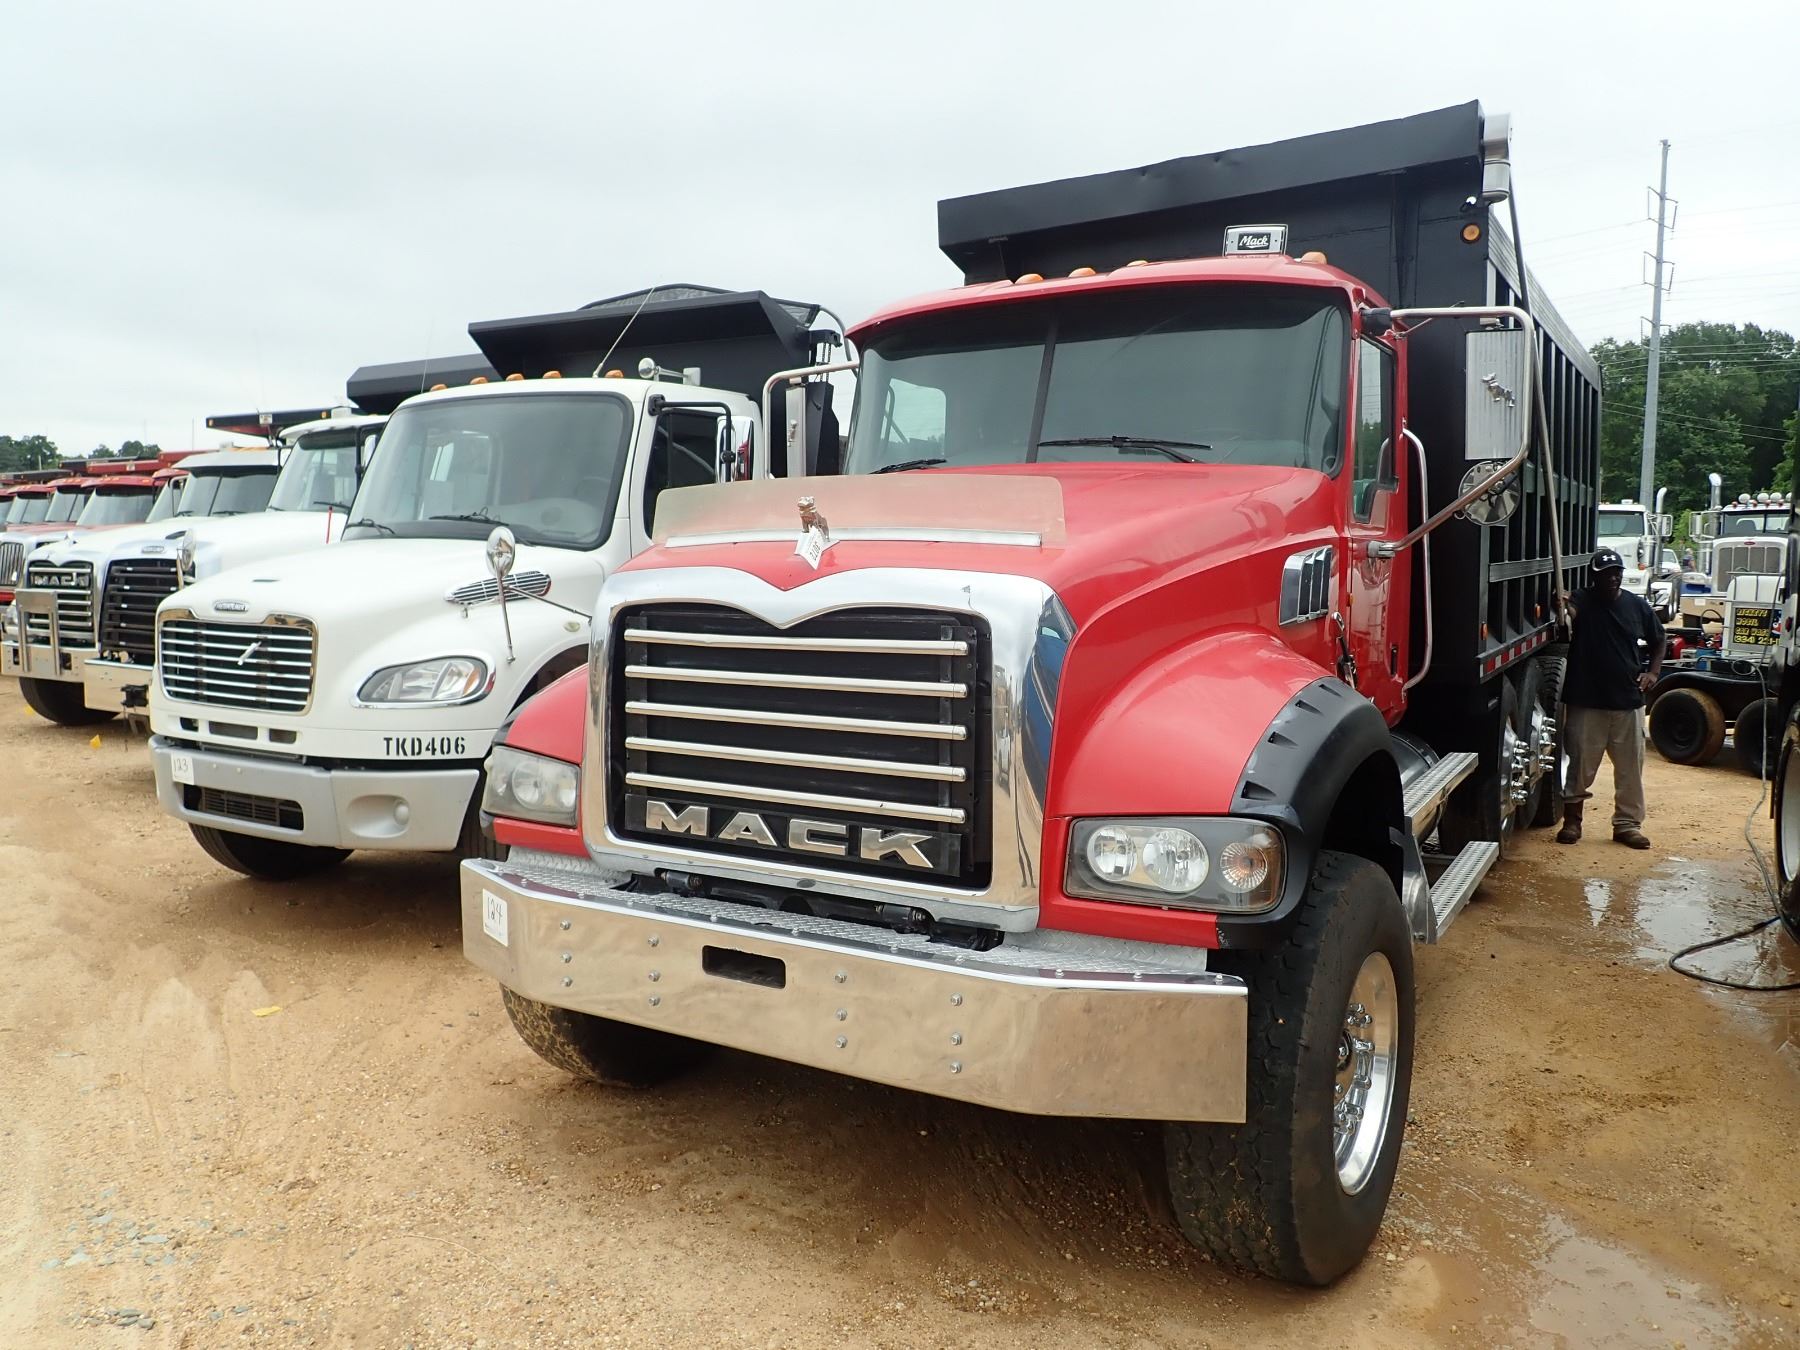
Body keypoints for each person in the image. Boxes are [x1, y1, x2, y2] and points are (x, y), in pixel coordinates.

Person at [1557, 547, 1664, 849]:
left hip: (1628, 701)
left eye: (1617, 572)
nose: (1613, 578)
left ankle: (1627, 825)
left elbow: (1659, 639)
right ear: (1595, 577)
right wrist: (1563, 605)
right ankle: (1572, 822)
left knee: (1630, 769)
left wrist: (1653, 673)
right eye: (1606, 574)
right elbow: (1570, 613)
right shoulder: (1582, 600)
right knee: (1580, 766)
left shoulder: (1636, 606)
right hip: (1586, 701)